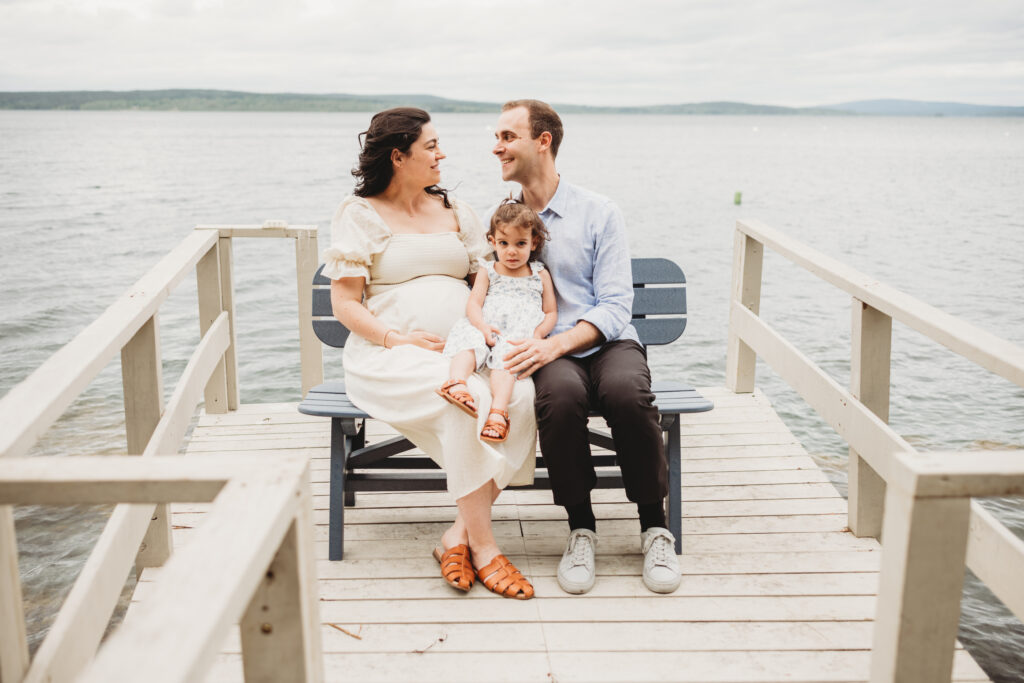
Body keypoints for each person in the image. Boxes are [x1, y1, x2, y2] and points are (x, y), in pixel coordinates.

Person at [324, 107, 535, 600]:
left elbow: (488, 278)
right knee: (460, 401)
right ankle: (484, 547)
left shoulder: (455, 211)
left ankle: (455, 536)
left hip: (465, 346)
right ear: (399, 157)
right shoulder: (360, 215)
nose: (443, 155)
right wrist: (397, 338)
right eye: (431, 147)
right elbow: (344, 303)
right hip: (389, 354)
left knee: (520, 397)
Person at [491, 99, 681, 594]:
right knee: (559, 399)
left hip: (607, 341)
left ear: (543, 141)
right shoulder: (502, 223)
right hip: (543, 349)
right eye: (498, 137)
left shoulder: (599, 212)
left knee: (626, 395)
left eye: (508, 136)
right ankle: (581, 528)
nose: (498, 147)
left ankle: (654, 526)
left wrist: (557, 346)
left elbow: (617, 305)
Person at [438, 199, 557, 443]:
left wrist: (538, 334)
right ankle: (456, 383)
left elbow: (551, 312)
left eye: (520, 243)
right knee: (469, 340)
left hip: (517, 333)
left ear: (533, 242)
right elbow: (474, 303)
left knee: (508, 360)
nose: (511, 251)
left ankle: (498, 413)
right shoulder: (488, 269)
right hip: (487, 326)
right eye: (504, 243)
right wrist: (481, 326)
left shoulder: (539, 273)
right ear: (492, 242)